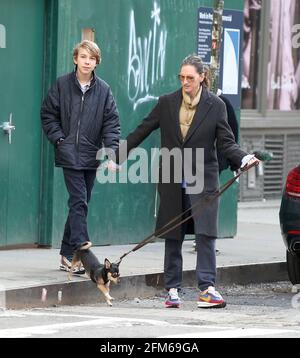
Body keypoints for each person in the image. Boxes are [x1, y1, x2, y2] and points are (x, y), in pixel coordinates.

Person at [113, 54, 258, 309]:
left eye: (190, 78)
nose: (185, 82)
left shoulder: (216, 106)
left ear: (202, 77)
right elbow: (143, 129)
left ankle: (207, 289)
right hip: (172, 175)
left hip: (204, 176)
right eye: (182, 77)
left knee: (205, 234)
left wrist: (244, 158)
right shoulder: (167, 102)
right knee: (173, 234)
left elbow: (226, 142)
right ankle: (172, 290)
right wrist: (118, 158)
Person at [41, 40, 121, 274]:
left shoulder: (104, 90)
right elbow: (48, 114)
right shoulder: (62, 85)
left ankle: (67, 255)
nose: (87, 61)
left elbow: (111, 123)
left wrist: (110, 152)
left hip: (91, 155)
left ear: (97, 62)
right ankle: (83, 249)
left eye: (92, 58)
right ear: (75, 59)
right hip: (69, 154)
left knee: (80, 203)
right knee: (78, 201)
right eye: (83, 57)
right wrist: (59, 140)